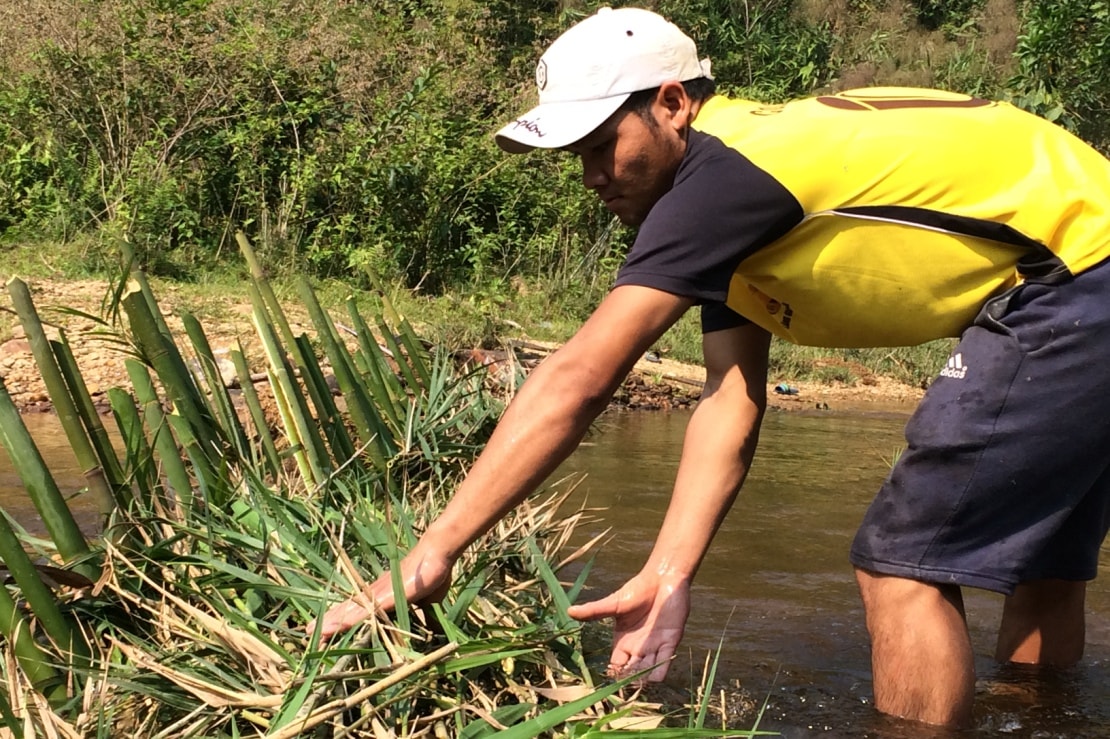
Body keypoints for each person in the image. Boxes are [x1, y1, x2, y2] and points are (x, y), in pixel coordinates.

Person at [308, 6, 1110, 728]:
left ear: (671, 102)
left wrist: (435, 545)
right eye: (575, 157)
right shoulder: (739, 183)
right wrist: (668, 570)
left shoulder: (727, 176)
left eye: (601, 147)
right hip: (1083, 267)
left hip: (1078, 274)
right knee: (1038, 559)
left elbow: (583, 373)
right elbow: (730, 396)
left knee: (899, 560)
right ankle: (1045, 717)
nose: (591, 178)